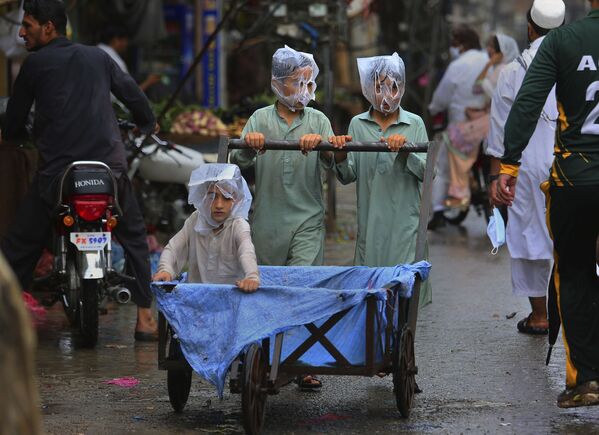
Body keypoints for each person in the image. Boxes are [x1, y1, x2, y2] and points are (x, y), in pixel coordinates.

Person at [0, 0, 159, 341]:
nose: (21, 32)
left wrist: (14, 135)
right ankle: (146, 319)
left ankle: (6, 319)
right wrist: (147, 122)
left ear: (49, 27)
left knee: (19, 245)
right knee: (134, 236)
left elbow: (14, 120)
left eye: (27, 25)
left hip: (58, 176)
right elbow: (132, 94)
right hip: (108, 172)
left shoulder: (35, 64)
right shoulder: (98, 57)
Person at [497, 0, 599, 408]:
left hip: (575, 179)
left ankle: (585, 381)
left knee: (574, 274)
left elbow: (526, 103)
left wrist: (508, 164)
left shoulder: (563, 41)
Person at [230, 45, 334, 390]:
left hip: (307, 220)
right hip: (267, 221)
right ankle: (261, 356)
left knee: (302, 286)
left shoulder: (318, 120)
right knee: (266, 291)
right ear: (277, 83)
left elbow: (339, 164)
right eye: (295, 82)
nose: (303, 89)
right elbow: (237, 166)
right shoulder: (259, 118)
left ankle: (305, 362)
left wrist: (324, 144)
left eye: (308, 82)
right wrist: (249, 143)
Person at [326, 53, 432, 307]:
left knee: (404, 296)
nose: (387, 94)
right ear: (367, 88)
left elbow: (428, 173)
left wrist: (406, 151)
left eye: (393, 86)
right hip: (370, 228)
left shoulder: (414, 123)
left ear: (402, 87)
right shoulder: (357, 124)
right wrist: (340, 155)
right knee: (370, 299)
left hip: (406, 227)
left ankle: (402, 346)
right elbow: (348, 175)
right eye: (379, 86)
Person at [487, 0, 565, 336]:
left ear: (529, 28)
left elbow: (499, 130)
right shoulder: (576, 63)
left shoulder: (512, 71)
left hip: (523, 166)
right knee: (572, 236)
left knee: (529, 232)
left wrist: (496, 175)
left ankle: (539, 316)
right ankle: (575, 311)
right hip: (570, 161)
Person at [153, 164, 259, 292]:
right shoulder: (195, 220)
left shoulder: (238, 225)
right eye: (212, 196)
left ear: (235, 200)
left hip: (229, 300)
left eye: (226, 197)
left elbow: (246, 250)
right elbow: (173, 248)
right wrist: (165, 270)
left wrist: (252, 277)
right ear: (203, 197)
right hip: (195, 298)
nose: (219, 205)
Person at [428, 25, 488, 227]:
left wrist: (434, 108)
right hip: (488, 127)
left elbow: (441, 98)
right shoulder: (488, 60)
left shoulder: (458, 65)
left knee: (442, 167)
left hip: (461, 129)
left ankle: (437, 211)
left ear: (461, 44)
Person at [97, 24, 161, 92]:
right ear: (116, 40)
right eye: (126, 40)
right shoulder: (116, 63)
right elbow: (128, 94)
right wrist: (148, 82)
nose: (127, 44)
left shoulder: (95, 51)